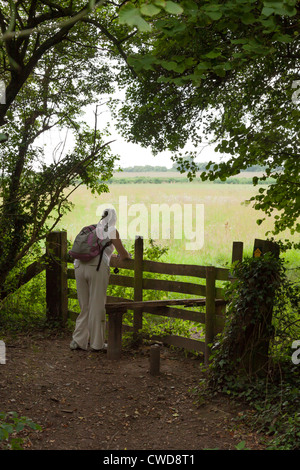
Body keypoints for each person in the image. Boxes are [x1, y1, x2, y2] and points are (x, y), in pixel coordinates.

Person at [70, 208, 131, 351]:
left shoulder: (91, 229)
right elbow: (124, 254)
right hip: (96, 268)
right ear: (114, 218)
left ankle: (78, 341)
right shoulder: (112, 230)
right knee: (98, 305)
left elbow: (98, 249)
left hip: (79, 266)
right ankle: (97, 344)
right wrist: (126, 255)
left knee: (84, 305)